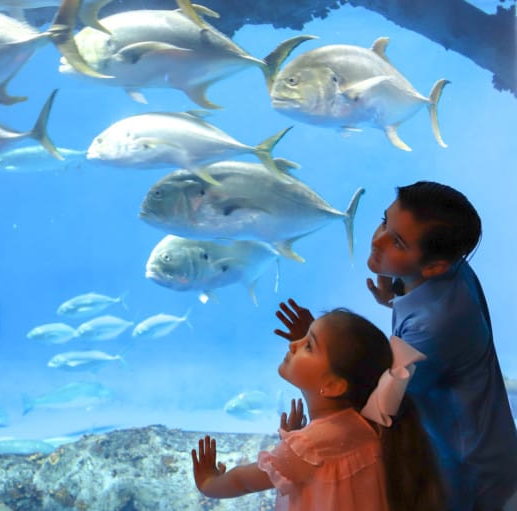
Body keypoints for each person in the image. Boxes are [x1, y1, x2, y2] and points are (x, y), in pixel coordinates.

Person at [274, 181, 517, 511]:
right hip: (482, 448)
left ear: (434, 266)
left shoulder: (435, 327)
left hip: (462, 471)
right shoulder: (453, 269)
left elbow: (375, 406)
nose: (377, 239)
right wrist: (395, 292)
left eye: (398, 242)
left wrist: (320, 350)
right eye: (385, 221)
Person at [192, 309, 446, 511]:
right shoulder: (368, 421)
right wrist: (294, 439)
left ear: (333, 385)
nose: (294, 344)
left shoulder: (308, 447)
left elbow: (244, 481)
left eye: (308, 345)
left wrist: (209, 483)